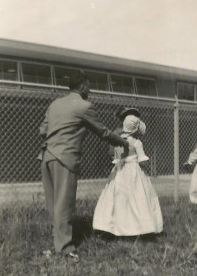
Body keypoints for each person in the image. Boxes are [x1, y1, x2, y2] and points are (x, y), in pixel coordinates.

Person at [39, 71, 129, 262]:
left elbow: (42, 130)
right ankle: (66, 250)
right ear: (81, 87)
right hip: (65, 159)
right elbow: (103, 132)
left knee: (54, 205)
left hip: (46, 157)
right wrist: (123, 142)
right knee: (64, 205)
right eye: (88, 86)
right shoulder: (84, 106)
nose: (90, 90)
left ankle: (57, 245)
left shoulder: (54, 104)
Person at [93, 115, 163, 236]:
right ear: (136, 129)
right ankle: (140, 227)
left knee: (119, 196)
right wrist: (146, 165)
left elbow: (117, 158)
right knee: (138, 196)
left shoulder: (118, 141)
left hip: (120, 169)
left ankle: (116, 225)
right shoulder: (137, 143)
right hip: (134, 170)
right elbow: (142, 159)